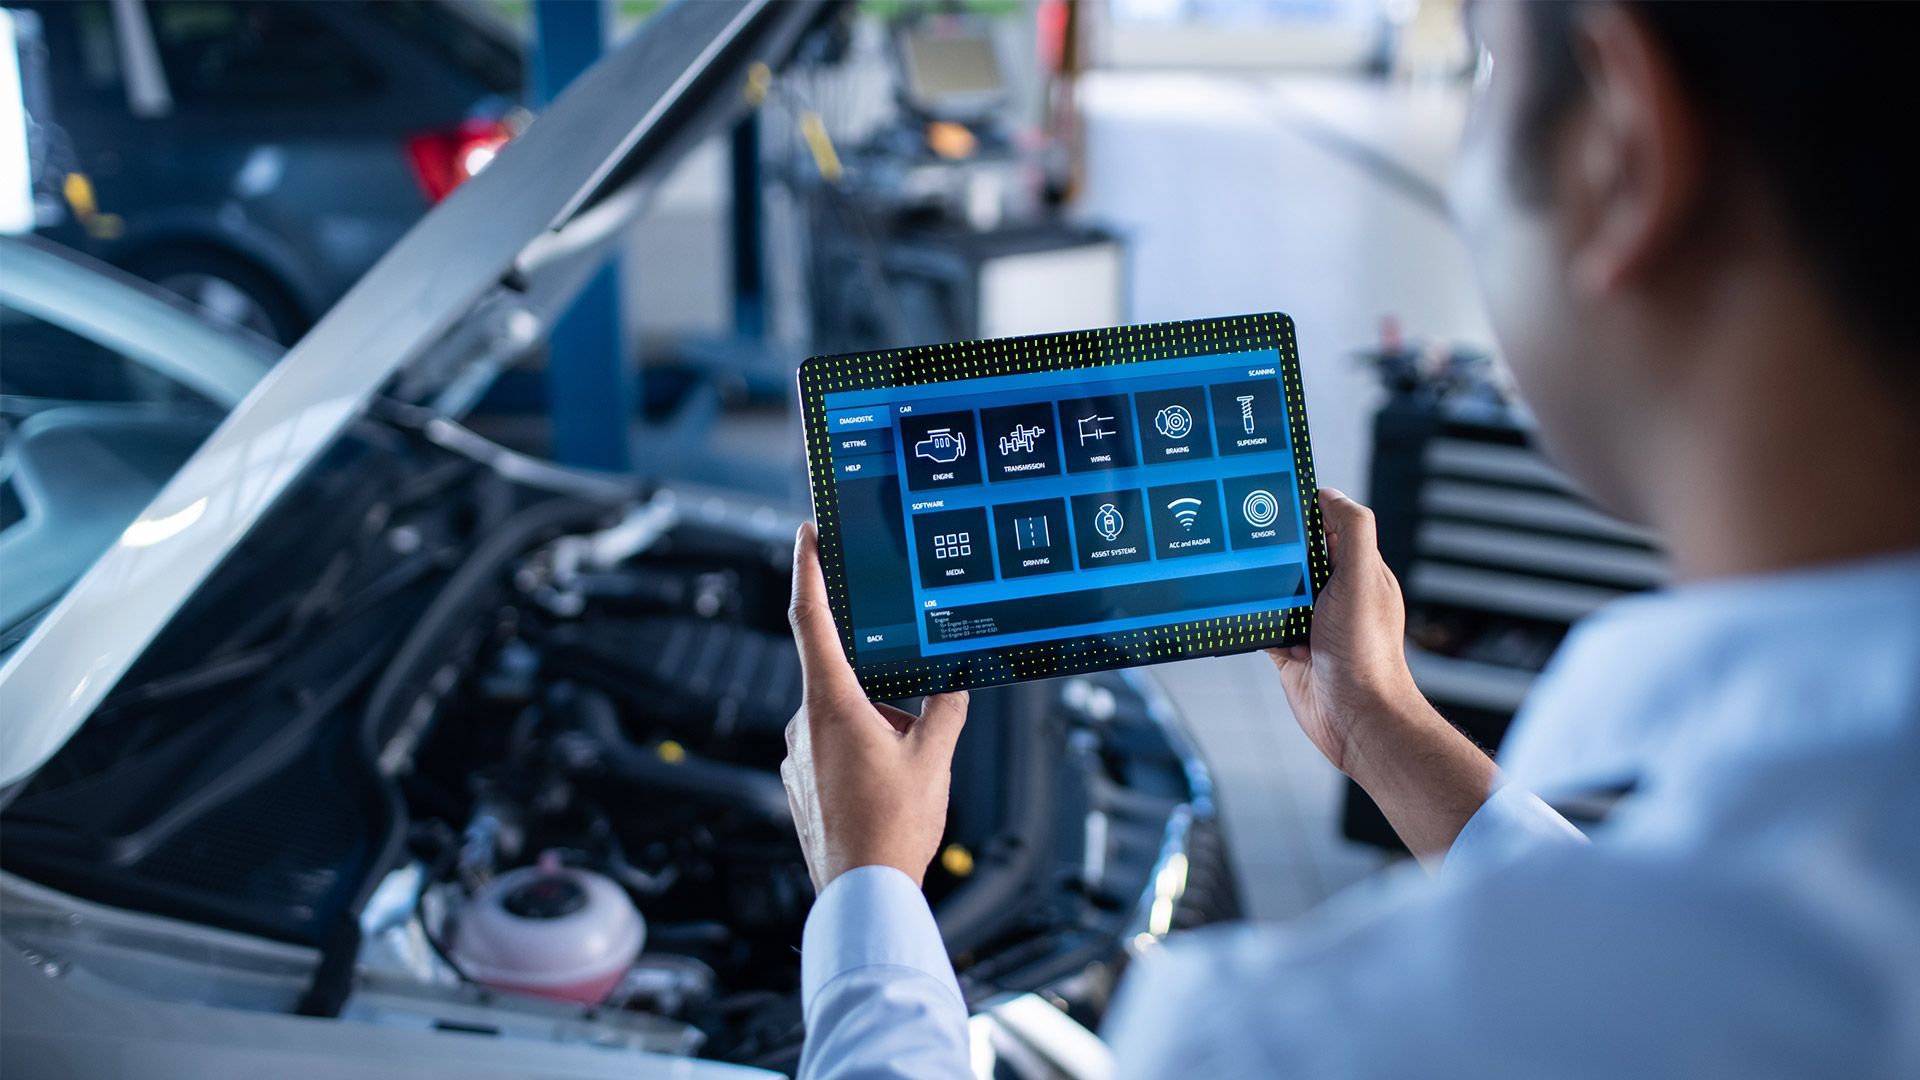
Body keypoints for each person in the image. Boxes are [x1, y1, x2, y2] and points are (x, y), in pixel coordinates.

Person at [779, 1, 1920, 1075]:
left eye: (1484, 70)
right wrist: (1385, 725)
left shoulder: (1304, 1043)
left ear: (1620, 146)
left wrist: (870, 890)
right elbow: (1674, 965)